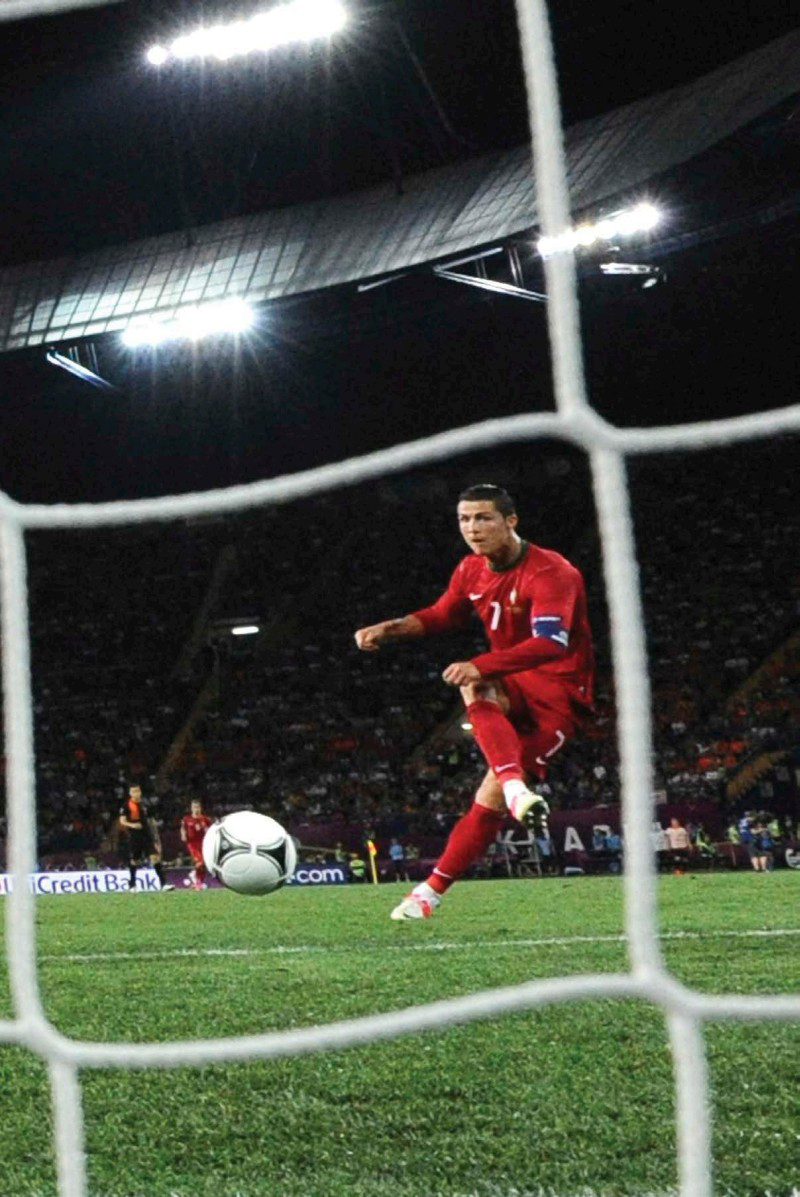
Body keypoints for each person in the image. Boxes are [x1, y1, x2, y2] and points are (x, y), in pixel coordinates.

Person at [354, 483, 595, 920]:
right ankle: (427, 896)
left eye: (483, 518)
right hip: (512, 681)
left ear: (510, 521)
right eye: (465, 519)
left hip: (560, 692)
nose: (472, 528)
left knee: (489, 791)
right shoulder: (471, 570)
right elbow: (442, 614)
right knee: (475, 692)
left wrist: (482, 663)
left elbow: (551, 643)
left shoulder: (553, 572)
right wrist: (389, 629)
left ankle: (505, 792)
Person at [118, 783, 174, 892]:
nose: (136, 793)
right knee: (135, 860)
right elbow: (122, 821)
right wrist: (133, 825)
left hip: (147, 835)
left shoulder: (145, 804)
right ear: (130, 793)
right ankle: (132, 885)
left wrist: (155, 833)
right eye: (134, 791)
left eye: (138, 791)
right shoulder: (126, 806)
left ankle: (163, 884)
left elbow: (151, 819)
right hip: (134, 836)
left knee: (155, 857)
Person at [180, 798, 214, 890]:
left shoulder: (206, 819)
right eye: (194, 807)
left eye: (198, 807)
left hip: (204, 844)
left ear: (201, 808)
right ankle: (198, 882)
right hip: (193, 844)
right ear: (191, 808)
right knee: (200, 863)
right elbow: (183, 829)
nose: (196, 809)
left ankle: (197, 879)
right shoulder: (187, 819)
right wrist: (183, 835)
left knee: (204, 865)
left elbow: (211, 831)